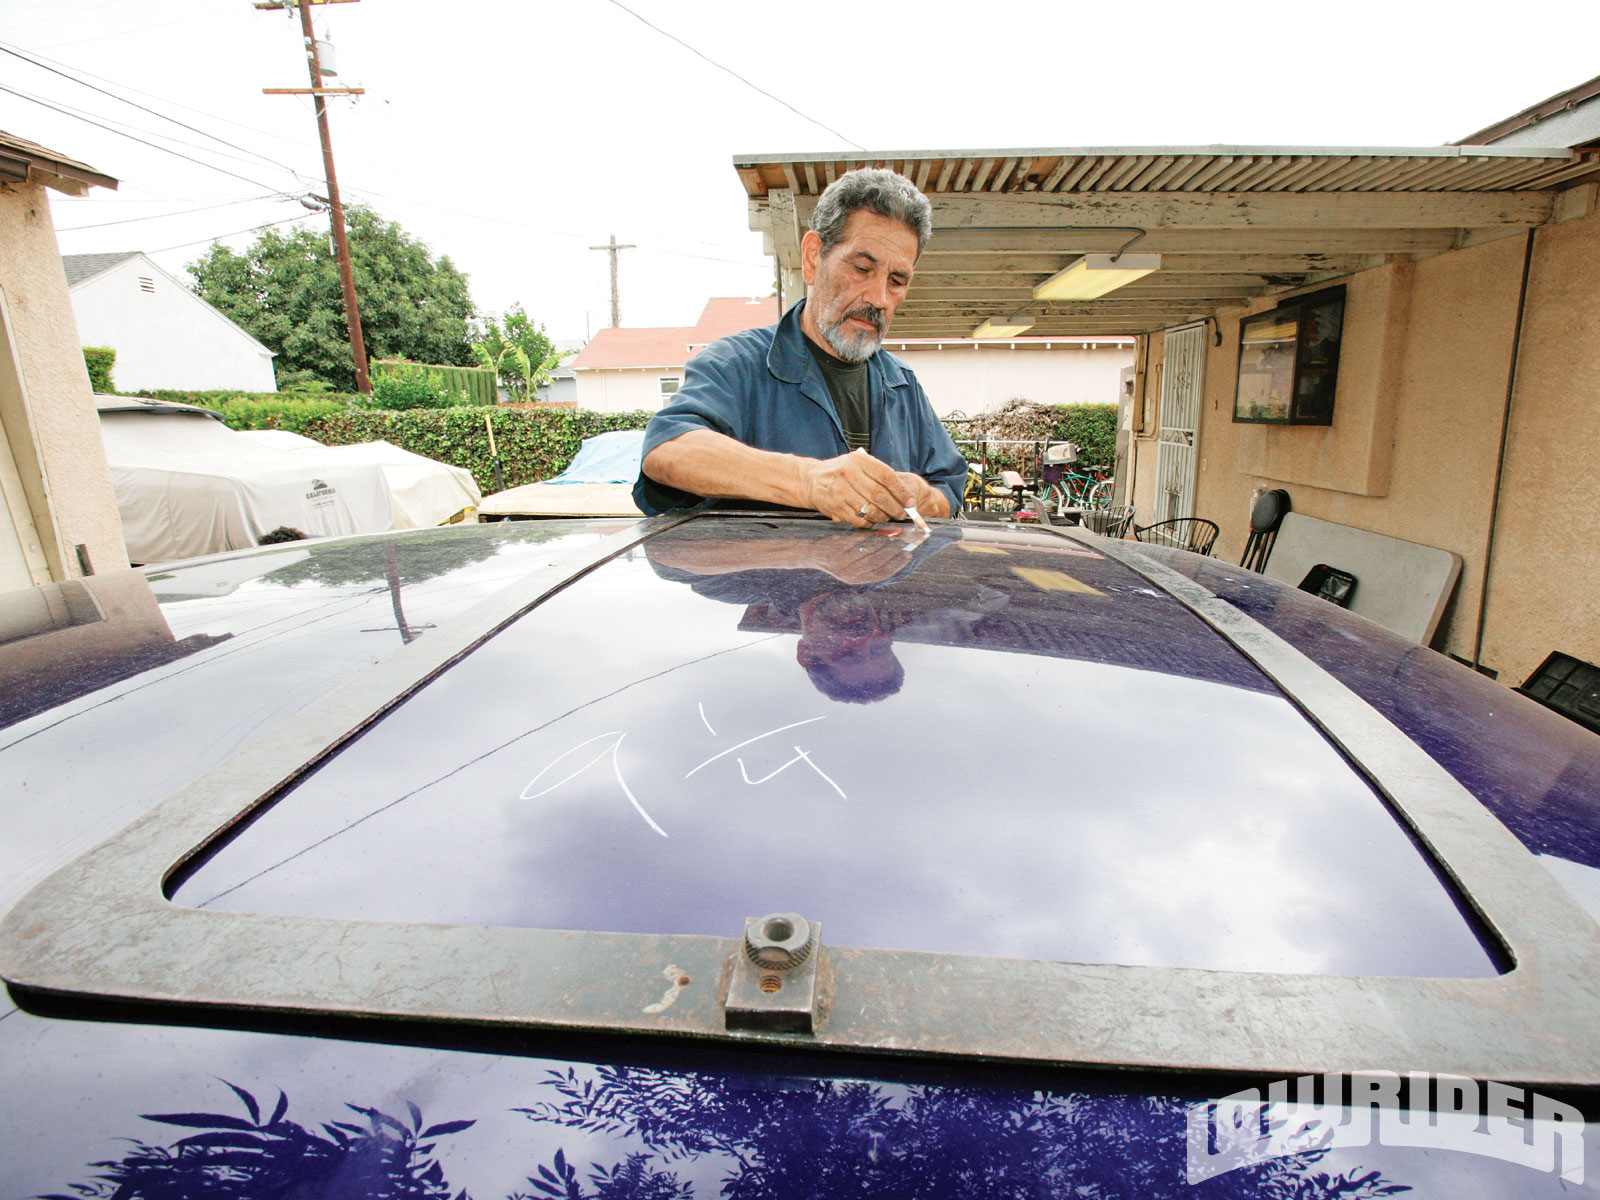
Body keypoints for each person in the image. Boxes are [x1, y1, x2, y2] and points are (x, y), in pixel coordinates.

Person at [634, 168, 966, 527]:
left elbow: (948, 487)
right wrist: (808, 482)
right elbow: (667, 451)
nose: (880, 299)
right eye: (861, 268)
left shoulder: (903, 386)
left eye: (897, 281)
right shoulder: (736, 365)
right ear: (812, 258)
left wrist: (917, 496)